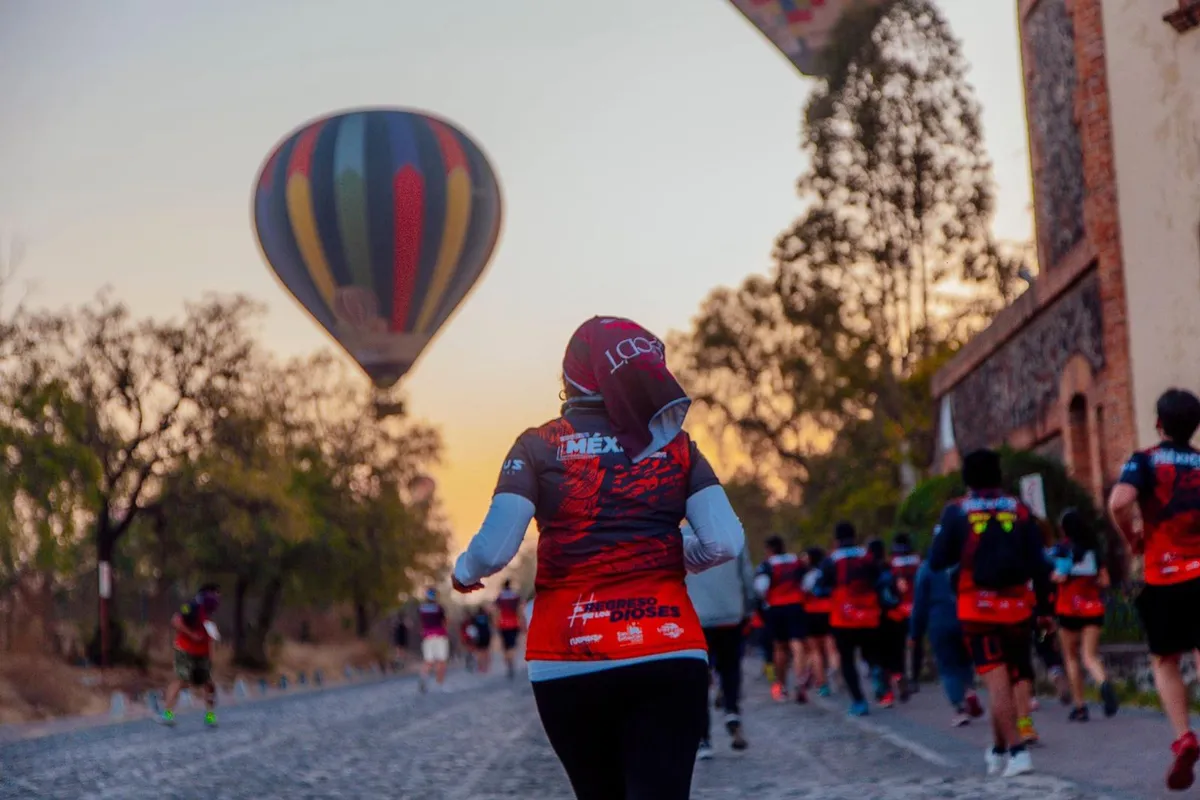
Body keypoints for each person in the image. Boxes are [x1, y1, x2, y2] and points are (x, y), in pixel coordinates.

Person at [451, 316, 744, 800]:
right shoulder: (677, 446)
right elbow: (727, 542)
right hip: (668, 645)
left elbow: (494, 548)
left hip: (568, 654)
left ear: (570, 379)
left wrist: (464, 572)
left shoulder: (538, 444)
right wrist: (669, 550)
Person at [929, 448, 1052, 779]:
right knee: (1012, 679)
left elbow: (936, 560)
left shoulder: (956, 512)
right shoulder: (1020, 509)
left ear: (966, 478)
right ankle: (998, 749)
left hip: (978, 608)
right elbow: (1040, 565)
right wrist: (1044, 609)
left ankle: (1017, 751)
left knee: (997, 683)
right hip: (1017, 608)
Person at [1109, 388, 1200, 791]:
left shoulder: (1144, 460)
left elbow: (1118, 502)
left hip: (1163, 577)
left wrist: (1132, 540)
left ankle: (1184, 737)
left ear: (1159, 423)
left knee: (1165, 660)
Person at [685, 526, 756, 757]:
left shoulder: (681, 536)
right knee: (731, 669)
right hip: (730, 614)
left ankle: (704, 738)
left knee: (698, 679)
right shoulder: (732, 533)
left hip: (696, 618)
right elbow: (747, 576)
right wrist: (748, 608)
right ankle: (732, 712)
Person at [1051, 508, 1118, 721]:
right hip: (1092, 607)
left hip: (1068, 608)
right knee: (1089, 656)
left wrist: (1054, 575)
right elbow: (1105, 581)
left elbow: (1060, 577)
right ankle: (1104, 683)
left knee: (1071, 657)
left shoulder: (1063, 549)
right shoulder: (1094, 550)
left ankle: (1080, 706)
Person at [812, 522, 885, 717]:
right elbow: (880, 580)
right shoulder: (867, 556)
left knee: (847, 660)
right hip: (869, 615)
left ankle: (859, 702)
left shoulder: (830, 561)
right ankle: (877, 672)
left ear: (836, 539)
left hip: (843, 618)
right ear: (855, 536)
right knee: (871, 652)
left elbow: (818, 589)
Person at [910, 555, 983, 727]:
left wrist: (915, 632)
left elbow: (919, 604)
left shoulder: (927, 569)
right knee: (965, 661)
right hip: (965, 617)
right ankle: (969, 691)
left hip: (939, 622)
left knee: (947, 666)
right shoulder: (965, 563)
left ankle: (959, 708)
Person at [755, 535, 809, 703]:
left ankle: (782, 685)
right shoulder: (796, 561)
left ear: (769, 549)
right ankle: (800, 682)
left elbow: (760, 587)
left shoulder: (767, 565)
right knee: (797, 643)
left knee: (779, 647)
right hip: (796, 605)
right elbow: (808, 581)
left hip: (776, 607)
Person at [159, 583, 220, 728]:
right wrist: (191, 635)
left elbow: (209, 636)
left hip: (202, 653)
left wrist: (211, 657)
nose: (218, 596)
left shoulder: (210, 611)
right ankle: (167, 714)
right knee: (180, 680)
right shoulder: (192, 607)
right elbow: (176, 620)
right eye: (215, 593)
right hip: (185, 650)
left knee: (208, 683)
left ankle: (210, 715)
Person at [801, 546, 839, 696]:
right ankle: (834, 669)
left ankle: (822, 684)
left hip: (812, 612)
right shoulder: (830, 572)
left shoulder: (809, 576)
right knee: (832, 647)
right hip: (829, 611)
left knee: (815, 650)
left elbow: (804, 591)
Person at [889, 533, 923, 693]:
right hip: (917, 607)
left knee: (900, 645)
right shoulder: (918, 561)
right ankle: (914, 677)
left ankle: (901, 674)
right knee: (917, 644)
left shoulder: (893, 563)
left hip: (900, 610)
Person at [418, 588, 450, 692]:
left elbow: (420, 622)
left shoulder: (421, 608)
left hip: (427, 636)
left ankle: (423, 677)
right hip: (440, 635)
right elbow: (445, 621)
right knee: (441, 660)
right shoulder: (439, 608)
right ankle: (439, 683)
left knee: (428, 661)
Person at [496, 580, 525, 679]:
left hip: (503, 624)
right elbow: (520, 609)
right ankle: (511, 661)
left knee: (505, 646)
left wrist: (495, 621)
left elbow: (494, 610)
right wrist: (522, 622)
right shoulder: (515, 596)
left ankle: (509, 662)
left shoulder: (500, 597)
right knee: (512, 645)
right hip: (514, 623)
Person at [472, 605, 493, 674]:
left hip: (479, 637)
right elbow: (491, 625)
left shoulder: (475, 617)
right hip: (486, 635)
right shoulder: (487, 616)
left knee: (479, 652)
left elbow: (473, 628)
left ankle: (480, 667)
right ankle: (486, 667)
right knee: (486, 651)